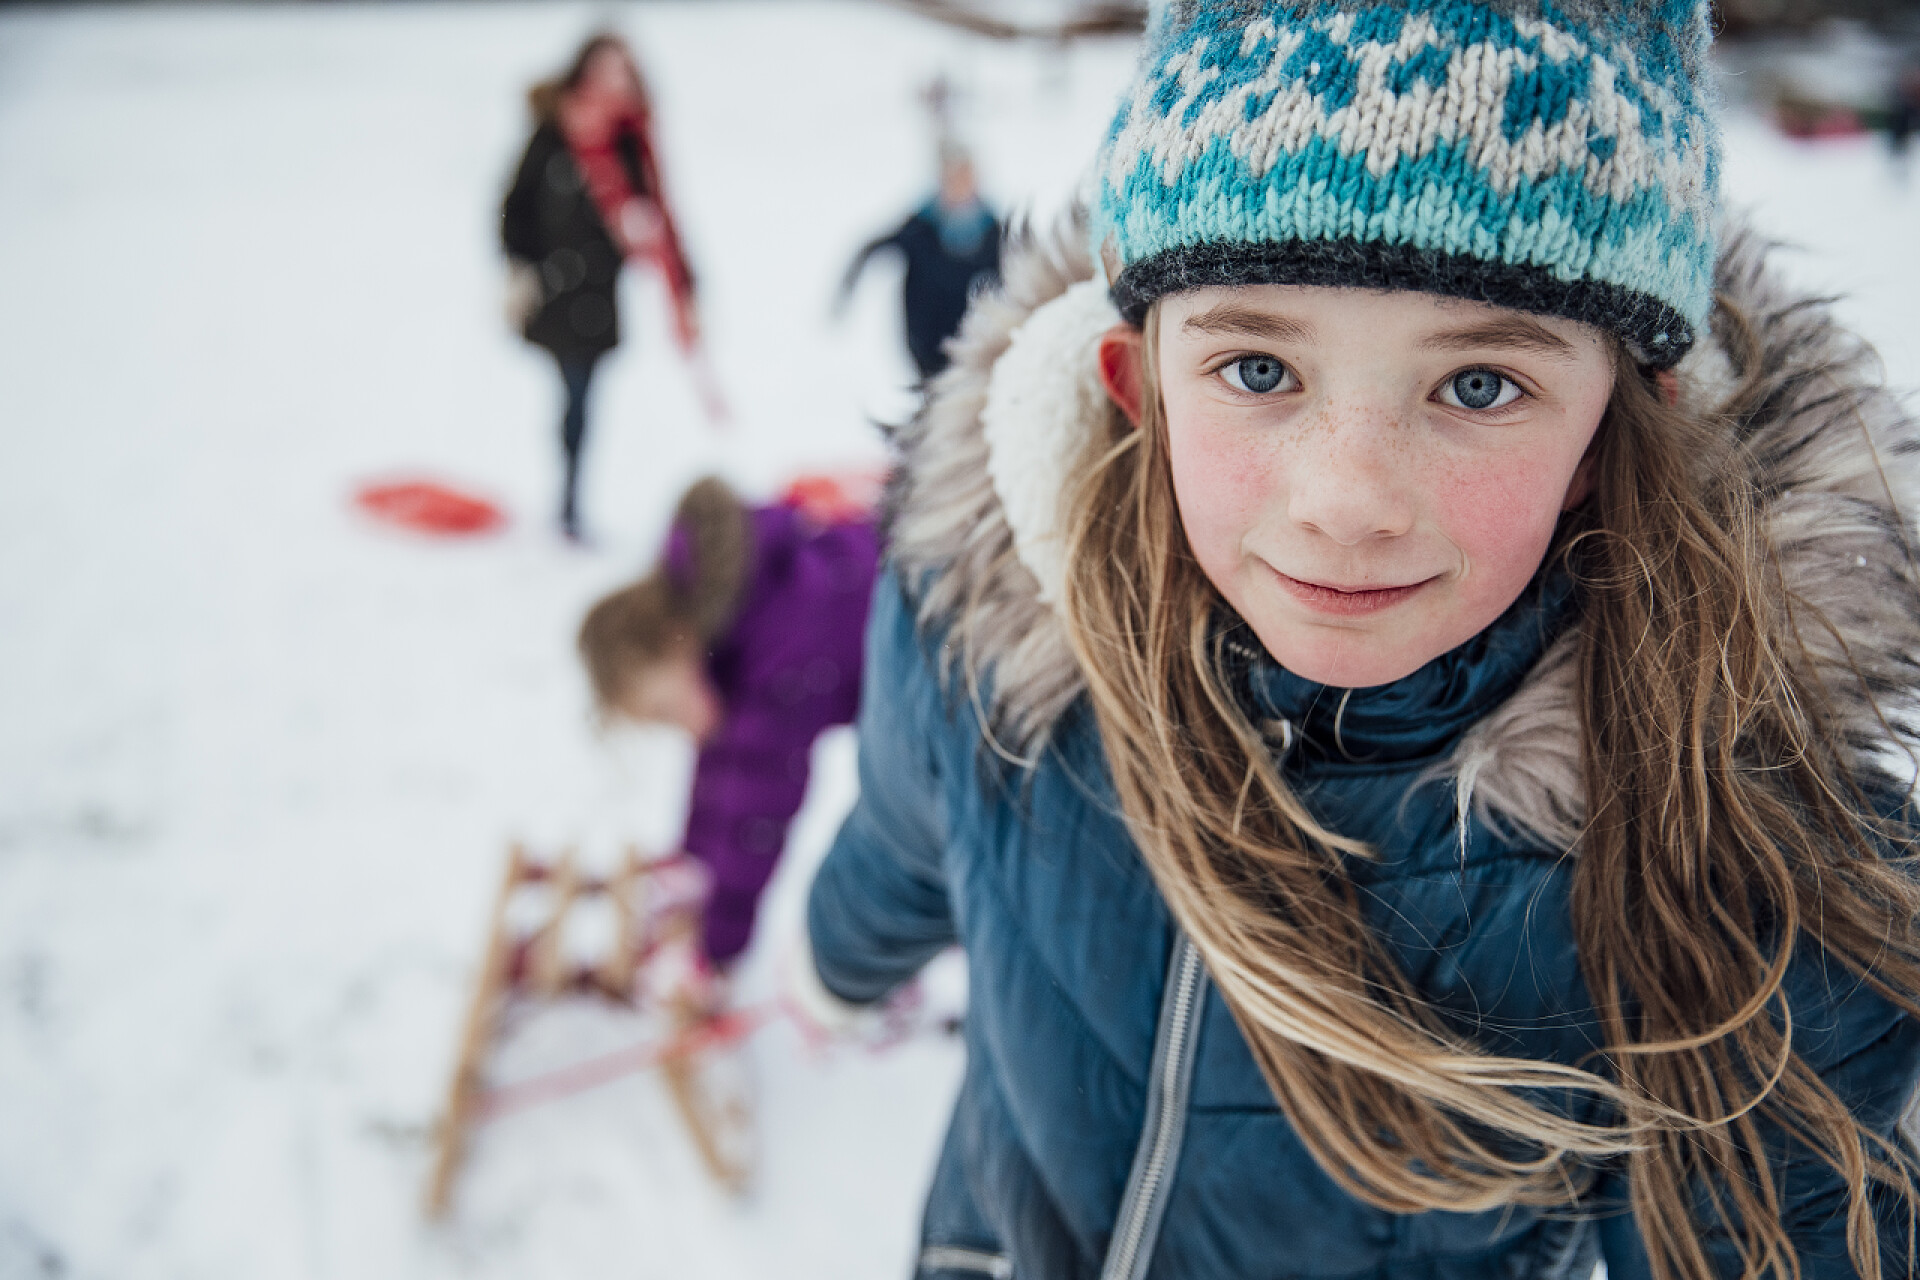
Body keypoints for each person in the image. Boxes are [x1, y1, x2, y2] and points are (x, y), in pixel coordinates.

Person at [795, 2, 1920, 1277]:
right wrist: (831, 963)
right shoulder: (989, 613)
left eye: (1478, 385)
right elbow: (903, 829)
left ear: (1608, 437)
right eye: (1261, 369)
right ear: (1139, 384)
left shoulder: (1728, 838)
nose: (1347, 500)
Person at [579, 478, 877, 972]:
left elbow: (755, 818)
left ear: (678, 648)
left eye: (665, 712)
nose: (680, 728)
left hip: (949, 640)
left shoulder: (774, 649)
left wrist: (715, 953)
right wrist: (691, 861)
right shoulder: (725, 630)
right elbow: (724, 764)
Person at [502, 33, 697, 540]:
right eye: (603, 70)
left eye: (622, 71)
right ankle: (567, 501)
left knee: (585, 395)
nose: (612, 82)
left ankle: (570, 499)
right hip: (556, 287)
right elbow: (514, 207)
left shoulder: (633, 141)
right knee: (574, 393)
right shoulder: (554, 133)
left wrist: (686, 286)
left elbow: (661, 216)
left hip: (599, 294)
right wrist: (520, 268)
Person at [838, 145, 1002, 381]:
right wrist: (847, 288)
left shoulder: (993, 229)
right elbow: (875, 249)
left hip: (973, 346)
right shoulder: (921, 226)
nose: (961, 184)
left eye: (966, 176)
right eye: (954, 177)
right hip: (926, 346)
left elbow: (1015, 274)